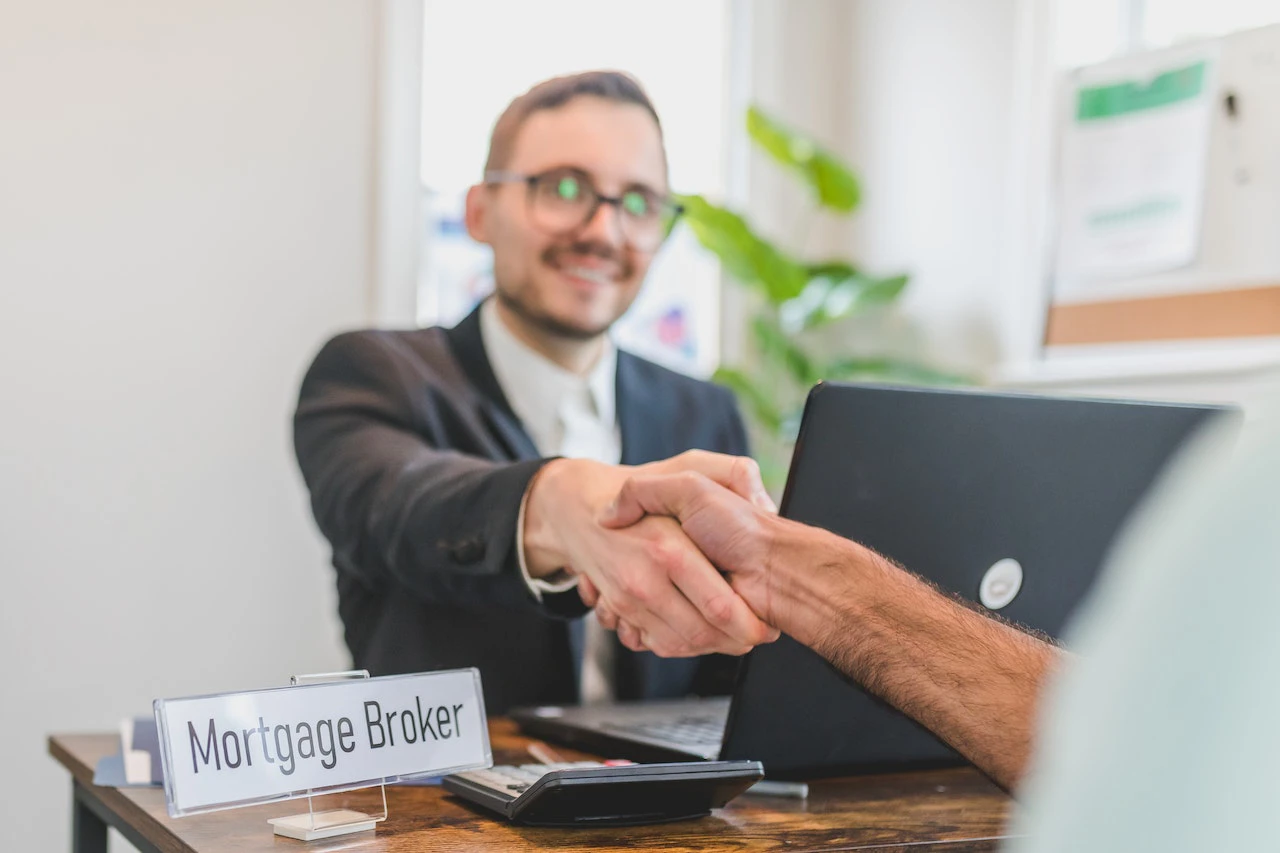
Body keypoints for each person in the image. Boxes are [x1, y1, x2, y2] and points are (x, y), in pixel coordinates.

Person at [293, 70, 776, 715]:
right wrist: (556, 504)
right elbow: (398, 511)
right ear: (479, 212)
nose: (603, 233)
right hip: (443, 803)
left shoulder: (703, 412)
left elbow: (727, 677)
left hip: (668, 803)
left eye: (637, 203)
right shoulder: (371, 372)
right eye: (564, 188)